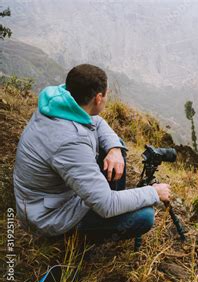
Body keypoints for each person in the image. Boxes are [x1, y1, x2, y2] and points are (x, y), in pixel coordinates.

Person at [13, 64, 171, 244]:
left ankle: (110, 202)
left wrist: (114, 149)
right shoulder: (70, 142)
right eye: (106, 95)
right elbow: (106, 205)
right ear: (98, 98)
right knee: (144, 217)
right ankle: (71, 241)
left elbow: (96, 121)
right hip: (49, 218)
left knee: (117, 145)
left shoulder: (60, 103)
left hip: (48, 197)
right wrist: (153, 192)